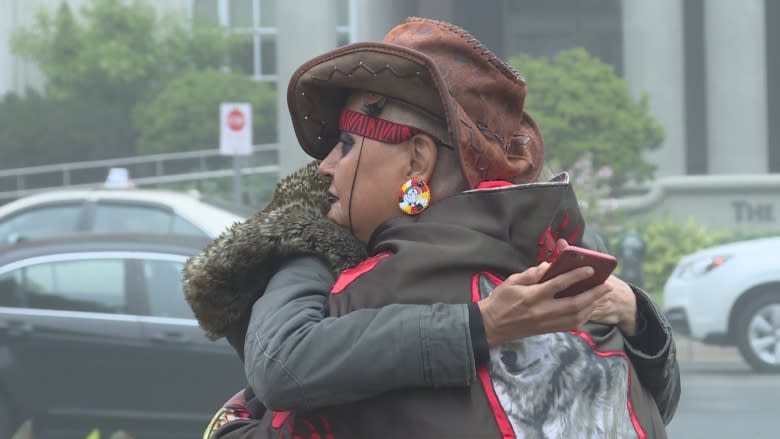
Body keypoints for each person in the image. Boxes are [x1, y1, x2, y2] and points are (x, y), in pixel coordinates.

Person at [184, 17, 679, 439]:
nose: (323, 168)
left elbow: (279, 370)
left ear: (417, 160)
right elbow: (654, 410)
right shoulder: (569, 271)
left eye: (347, 144)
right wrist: (638, 314)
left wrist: (305, 242)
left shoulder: (358, 296)